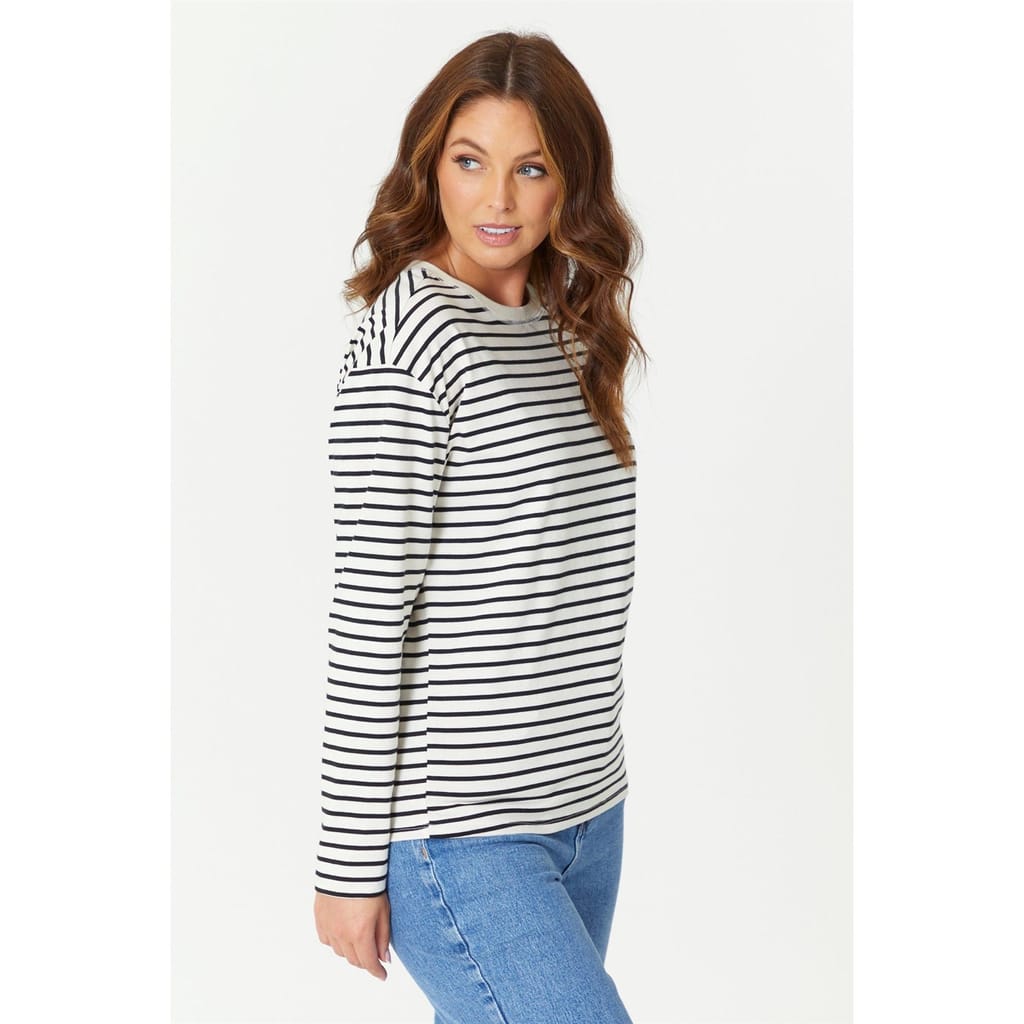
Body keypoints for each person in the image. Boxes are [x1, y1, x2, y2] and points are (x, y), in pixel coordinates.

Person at [312, 29, 648, 1024]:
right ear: (430, 167)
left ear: (570, 182)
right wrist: (345, 865)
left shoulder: (563, 323)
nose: (497, 200)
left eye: (530, 168)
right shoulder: (408, 342)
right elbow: (370, 610)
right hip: (460, 835)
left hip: (586, 809)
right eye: (470, 162)